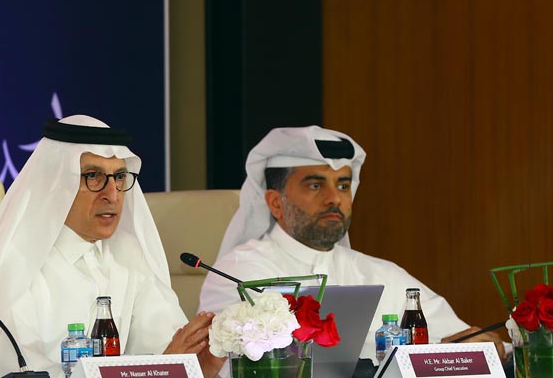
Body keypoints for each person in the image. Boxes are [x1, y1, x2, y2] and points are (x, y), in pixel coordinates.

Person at [0, 115, 222, 378]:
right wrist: (159, 372)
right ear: (56, 184)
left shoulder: (129, 258)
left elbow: (167, 349)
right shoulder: (13, 267)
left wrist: (198, 366)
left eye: (119, 177)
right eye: (93, 176)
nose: (111, 194)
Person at [198, 125, 505, 361]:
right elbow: (232, 367)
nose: (335, 199)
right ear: (275, 203)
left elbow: (461, 339)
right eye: (316, 185)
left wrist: (484, 345)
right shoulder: (241, 272)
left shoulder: (381, 275)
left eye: (343, 185)